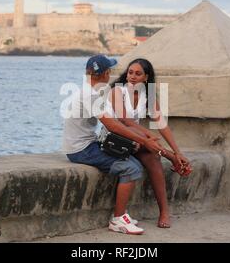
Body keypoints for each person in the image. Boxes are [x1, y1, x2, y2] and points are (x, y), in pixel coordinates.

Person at [62, 55, 165, 235]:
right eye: (110, 70)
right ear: (106, 73)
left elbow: (118, 121)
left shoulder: (90, 92)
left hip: (85, 144)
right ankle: (117, 219)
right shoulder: (91, 95)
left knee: (133, 164)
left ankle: (122, 215)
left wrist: (145, 139)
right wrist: (145, 140)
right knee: (130, 169)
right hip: (81, 150)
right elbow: (113, 125)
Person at [104, 58, 192, 228]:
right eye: (130, 72)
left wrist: (178, 150)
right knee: (151, 146)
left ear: (146, 77)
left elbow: (161, 123)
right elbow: (125, 121)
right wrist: (149, 137)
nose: (132, 77)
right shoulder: (117, 91)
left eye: (138, 74)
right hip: (114, 138)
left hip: (135, 139)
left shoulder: (147, 93)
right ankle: (171, 158)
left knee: (153, 158)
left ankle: (164, 212)